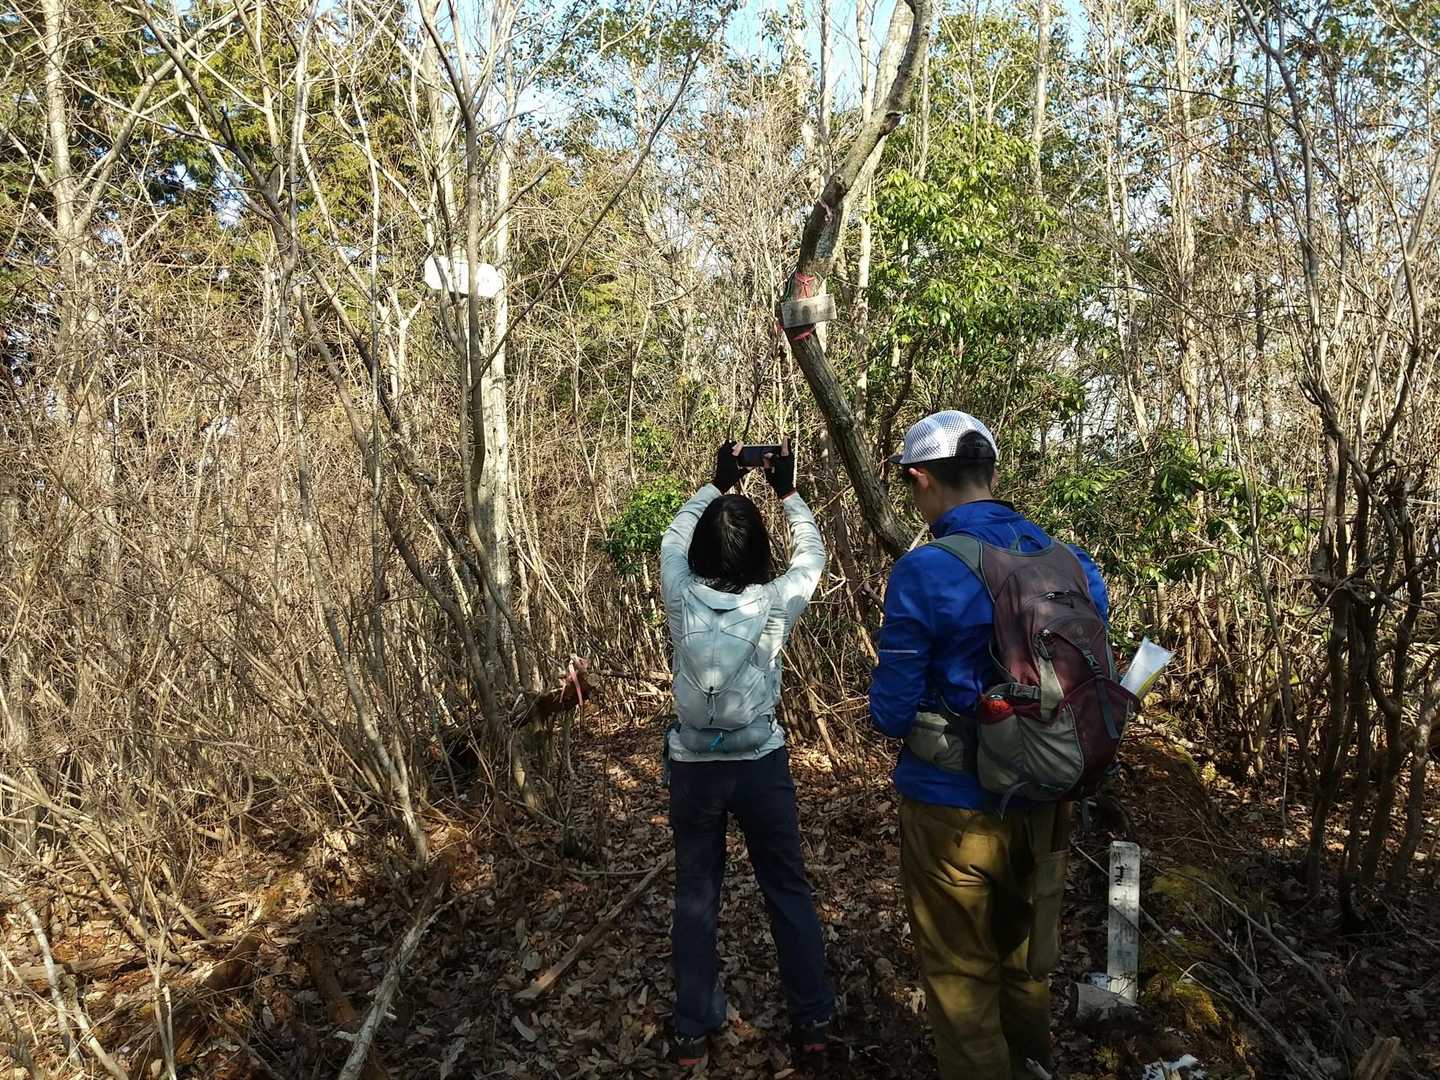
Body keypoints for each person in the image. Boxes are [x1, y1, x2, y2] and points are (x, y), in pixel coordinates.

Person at [869, 411, 1110, 1080]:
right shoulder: (1073, 563)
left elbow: (890, 713)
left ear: (922, 478)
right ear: (991, 471)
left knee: (961, 982)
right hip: (1047, 799)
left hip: (952, 809)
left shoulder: (926, 570)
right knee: (1025, 967)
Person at [658, 439, 835, 1069]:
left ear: (703, 551)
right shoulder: (774, 601)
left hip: (694, 769)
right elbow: (812, 555)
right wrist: (788, 492)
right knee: (785, 887)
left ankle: (691, 1026)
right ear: (759, 550)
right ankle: (812, 1019)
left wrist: (716, 484)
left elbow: (672, 539)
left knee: (696, 891)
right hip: (760, 764)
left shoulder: (679, 592)